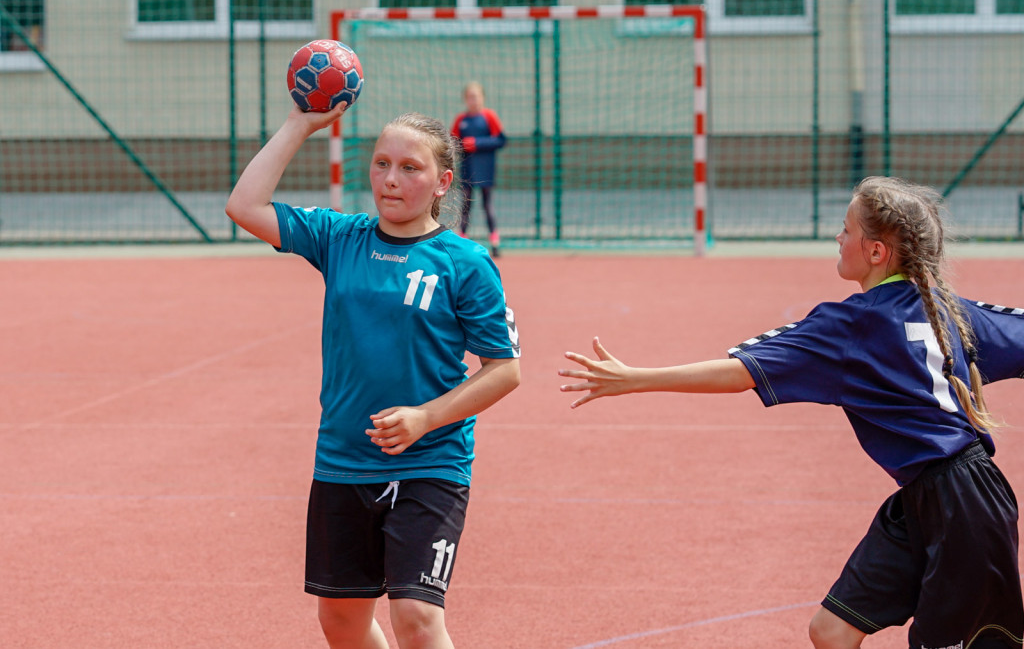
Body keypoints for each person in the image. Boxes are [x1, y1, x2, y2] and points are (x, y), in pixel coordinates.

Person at [558, 176, 1024, 649]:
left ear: (877, 252)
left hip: (963, 505)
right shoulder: (949, 309)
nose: (838, 239)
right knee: (831, 630)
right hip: (931, 499)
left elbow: (739, 372)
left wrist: (635, 378)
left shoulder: (850, 325)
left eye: (846, 229)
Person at [226, 102, 521, 649]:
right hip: (343, 459)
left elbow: (504, 371)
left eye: (410, 168)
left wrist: (425, 418)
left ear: (442, 182)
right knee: (340, 622)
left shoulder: (466, 262)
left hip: (431, 462)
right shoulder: (340, 239)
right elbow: (244, 205)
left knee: (416, 616)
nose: (391, 179)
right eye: (382, 163)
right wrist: (300, 124)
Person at [450, 81, 506, 257]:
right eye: (469, 97)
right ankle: (462, 240)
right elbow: (453, 141)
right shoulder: (461, 119)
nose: (473, 100)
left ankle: (494, 241)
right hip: (467, 168)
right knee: (465, 205)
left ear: (482, 98)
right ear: (465, 99)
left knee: (487, 204)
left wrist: (477, 143)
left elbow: (501, 140)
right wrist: (462, 145)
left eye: (476, 96)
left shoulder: (489, 116)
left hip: (486, 167)